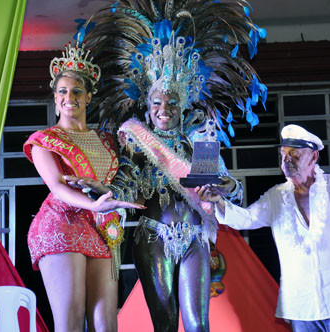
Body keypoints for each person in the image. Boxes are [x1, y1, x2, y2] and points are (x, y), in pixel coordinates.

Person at [63, 1, 267, 331]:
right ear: (147, 103)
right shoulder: (136, 137)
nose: (164, 108)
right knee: (165, 323)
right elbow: (127, 182)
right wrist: (108, 190)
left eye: (172, 101)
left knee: (198, 325)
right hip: (152, 237)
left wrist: (224, 188)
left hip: (195, 238)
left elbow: (217, 185)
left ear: (183, 103)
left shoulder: (200, 134)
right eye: (157, 101)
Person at [196, 124, 330, 332]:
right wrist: (218, 201)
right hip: (301, 306)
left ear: (313, 157)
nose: (286, 160)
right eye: (283, 154)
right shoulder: (277, 195)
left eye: (295, 155)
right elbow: (246, 219)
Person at [23, 42, 144, 332]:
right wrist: (92, 203)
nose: (69, 97)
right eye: (62, 91)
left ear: (89, 96)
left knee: (106, 323)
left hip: (101, 227)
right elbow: (56, 186)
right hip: (61, 223)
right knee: (72, 322)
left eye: (77, 91)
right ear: (55, 98)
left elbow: (118, 183)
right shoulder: (44, 139)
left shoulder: (107, 140)